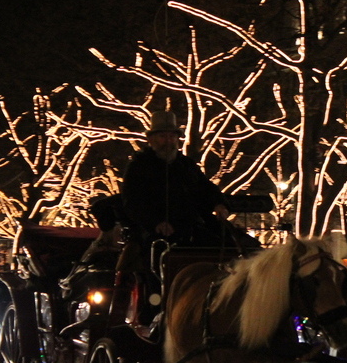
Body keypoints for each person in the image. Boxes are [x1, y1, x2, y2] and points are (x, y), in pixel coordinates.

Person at [89, 110, 257, 265]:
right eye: (163, 137)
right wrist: (156, 222)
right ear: (152, 140)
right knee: (150, 258)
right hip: (152, 230)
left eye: (172, 137)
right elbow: (133, 201)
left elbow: (206, 188)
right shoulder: (139, 166)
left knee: (237, 246)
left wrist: (220, 204)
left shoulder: (186, 165)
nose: (168, 142)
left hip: (191, 226)